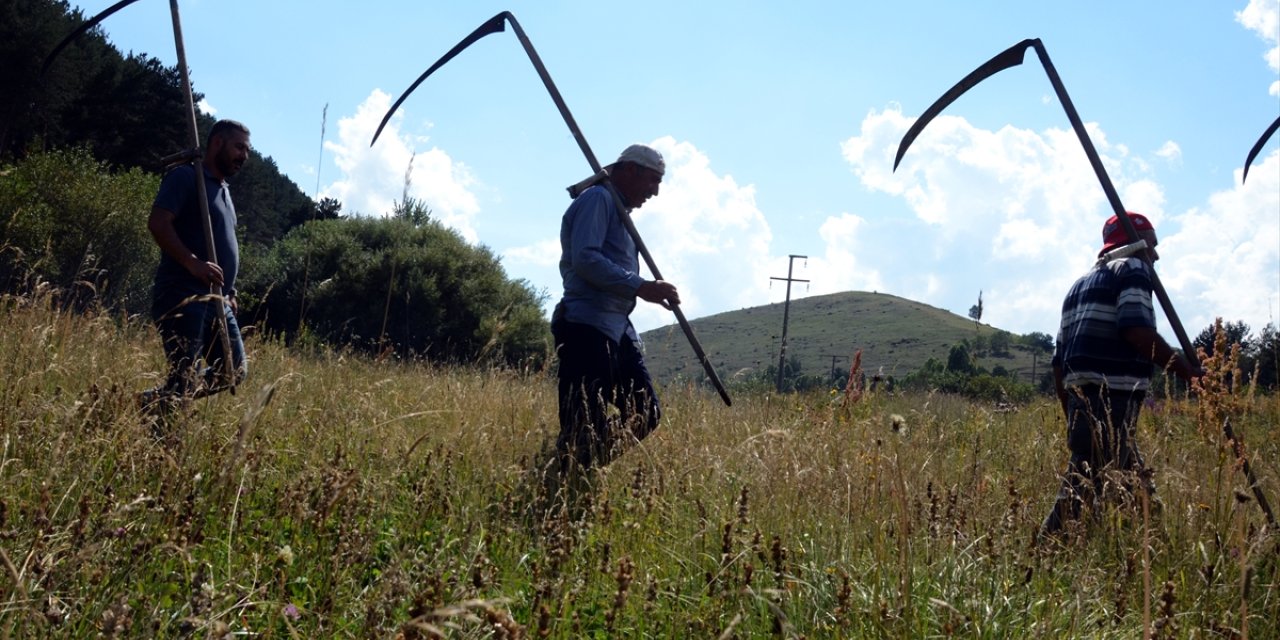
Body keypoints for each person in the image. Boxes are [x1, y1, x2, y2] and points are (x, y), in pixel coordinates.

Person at [1039, 212, 1201, 538]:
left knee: (1133, 491)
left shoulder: (1078, 286)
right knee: (1080, 489)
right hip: (1112, 401)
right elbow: (1137, 332)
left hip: (1083, 400)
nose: (1155, 255)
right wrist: (1189, 375)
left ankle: (1147, 551)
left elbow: (1059, 362)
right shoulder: (1134, 270)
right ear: (1136, 244)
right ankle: (1043, 555)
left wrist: (1071, 409)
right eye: (1152, 246)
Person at [551, 144, 679, 473]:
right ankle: (569, 471)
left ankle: (581, 469)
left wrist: (642, 288)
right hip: (585, 327)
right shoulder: (598, 200)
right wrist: (641, 286)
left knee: (644, 412)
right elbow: (586, 260)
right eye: (652, 180)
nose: (656, 191)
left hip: (617, 329)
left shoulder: (621, 213)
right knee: (582, 422)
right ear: (630, 171)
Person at [139, 119, 252, 413]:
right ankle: (161, 441)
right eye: (239, 147)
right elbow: (158, 223)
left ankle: (151, 402)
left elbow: (221, 241)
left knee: (233, 372)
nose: (244, 156)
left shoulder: (223, 191)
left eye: (247, 150)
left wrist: (232, 291)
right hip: (182, 292)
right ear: (217, 142)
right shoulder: (187, 177)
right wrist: (192, 263)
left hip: (218, 300)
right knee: (186, 376)